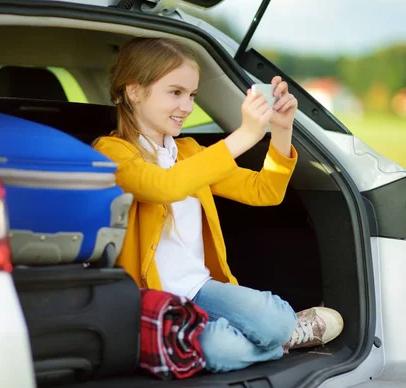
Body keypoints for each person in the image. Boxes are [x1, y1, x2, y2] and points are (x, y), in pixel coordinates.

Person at [93, 37, 344, 373]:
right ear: (134, 91)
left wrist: (280, 131)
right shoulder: (113, 151)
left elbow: (264, 191)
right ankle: (278, 343)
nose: (187, 106)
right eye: (175, 92)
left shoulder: (191, 152)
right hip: (148, 301)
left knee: (274, 321)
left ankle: (282, 333)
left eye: (192, 95)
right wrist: (243, 136)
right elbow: (162, 187)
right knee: (218, 349)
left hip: (200, 288)